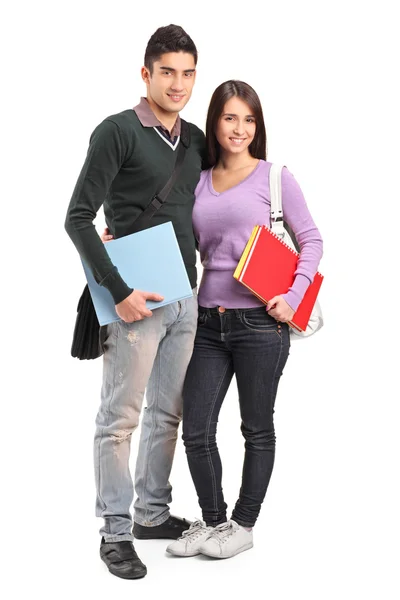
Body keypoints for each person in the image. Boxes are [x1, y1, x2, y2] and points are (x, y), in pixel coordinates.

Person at [64, 24, 206, 579]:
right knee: (119, 418)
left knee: (166, 412)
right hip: (135, 302)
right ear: (146, 74)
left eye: (188, 73)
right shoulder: (117, 131)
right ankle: (116, 532)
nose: (178, 83)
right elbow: (77, 218)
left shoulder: (194, 139)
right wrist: (117, 292)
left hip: (184, 296)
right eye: (166, 72)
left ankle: (151, 513)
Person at [165, 80, 323, 559]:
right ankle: (214, 523)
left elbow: (311, 241)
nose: (240, 128)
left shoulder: (275, 177)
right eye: (231, 118)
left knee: (256, 428)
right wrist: (118, 236)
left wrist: (292, 297)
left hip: (261, 323)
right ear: (215, 122)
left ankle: (244, 524)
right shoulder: (199, 180)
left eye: (249, 119)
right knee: (196, 428)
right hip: (207, 322)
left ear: (258, 125)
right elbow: (177, 238)